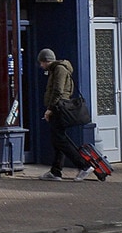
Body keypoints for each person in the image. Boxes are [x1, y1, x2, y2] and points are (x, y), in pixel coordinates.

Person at [38, 48, 100, 182]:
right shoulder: (56, 69)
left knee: (60, 139)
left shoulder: (59, 69)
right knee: (57, 140)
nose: (41, 66)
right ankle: (56, 171)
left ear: (46, 61)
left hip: (59, 108)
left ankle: (83, 165)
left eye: (41, 62)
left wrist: (50, 109)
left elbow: (58, 91)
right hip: (58, 108)